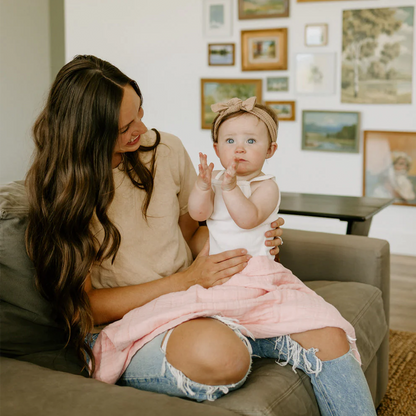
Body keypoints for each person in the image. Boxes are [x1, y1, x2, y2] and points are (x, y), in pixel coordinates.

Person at [24, 56, 284, 401]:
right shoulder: (62, 191)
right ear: (87, 133)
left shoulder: (166, 149)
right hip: (123, 324)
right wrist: (186, 280)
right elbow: (81, 309)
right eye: (124, 127)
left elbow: (192, 234)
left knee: (314, 327)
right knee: (224, 356)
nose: (142, 130)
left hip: (189, 301)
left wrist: (252, 235)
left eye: (140, 113)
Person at [182, 97, 377, 415]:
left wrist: (229, 188)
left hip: (256, 272)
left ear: (270, 150)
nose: (239, 149)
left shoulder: (266, 186)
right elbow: (198, 212)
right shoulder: (217, 181)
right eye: (230, 141)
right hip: (219, 275)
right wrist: (203, 187)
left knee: (321, 320)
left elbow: (247, 218)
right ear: (217, 148)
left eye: (250, 141)